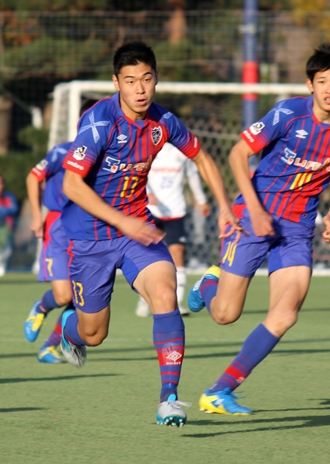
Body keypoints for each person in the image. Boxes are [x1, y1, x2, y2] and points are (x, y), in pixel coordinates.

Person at [59, 40, 239, 427]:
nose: (139, 89)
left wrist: (223, 204)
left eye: (146, 79)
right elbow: (72, 186)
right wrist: (122, 222)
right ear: (116, 83)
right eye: (130, 81)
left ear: (156, 79)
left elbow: (202, 157)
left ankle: (168, 398)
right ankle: (67, 329)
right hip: (90, 238)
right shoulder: (99, 123)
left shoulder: (164, 122)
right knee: (94, 333)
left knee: (164, 291)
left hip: (136, 230)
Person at [187, 43, 330, 415]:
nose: (329, 89)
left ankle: (220, 390)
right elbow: (238, 154)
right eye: (321, 81)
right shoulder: (287, 113)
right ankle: (209, 283)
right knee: (224, 315)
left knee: (286, 314)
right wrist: (253, 209)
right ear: (309, 85)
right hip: (254, 215)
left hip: (298, 229)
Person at [135, 141, 211, 317]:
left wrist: (201, 200)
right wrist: (146, 193)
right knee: (148, 257)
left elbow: (192, 176)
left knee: (177, 253)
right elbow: (138, 175)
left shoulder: (182, 152)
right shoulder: (147, 149)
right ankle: (145, 299)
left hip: (176, 211)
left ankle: (176, 302)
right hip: (151, 211)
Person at [24, 141, 76, 363]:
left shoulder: (112, 157)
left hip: (90, 228)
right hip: (58, 226)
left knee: (85, 298)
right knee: (64, 295)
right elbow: (32, 177)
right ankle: (42, 307)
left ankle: (49, 347)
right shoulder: (63, 152)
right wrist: (37, 216)